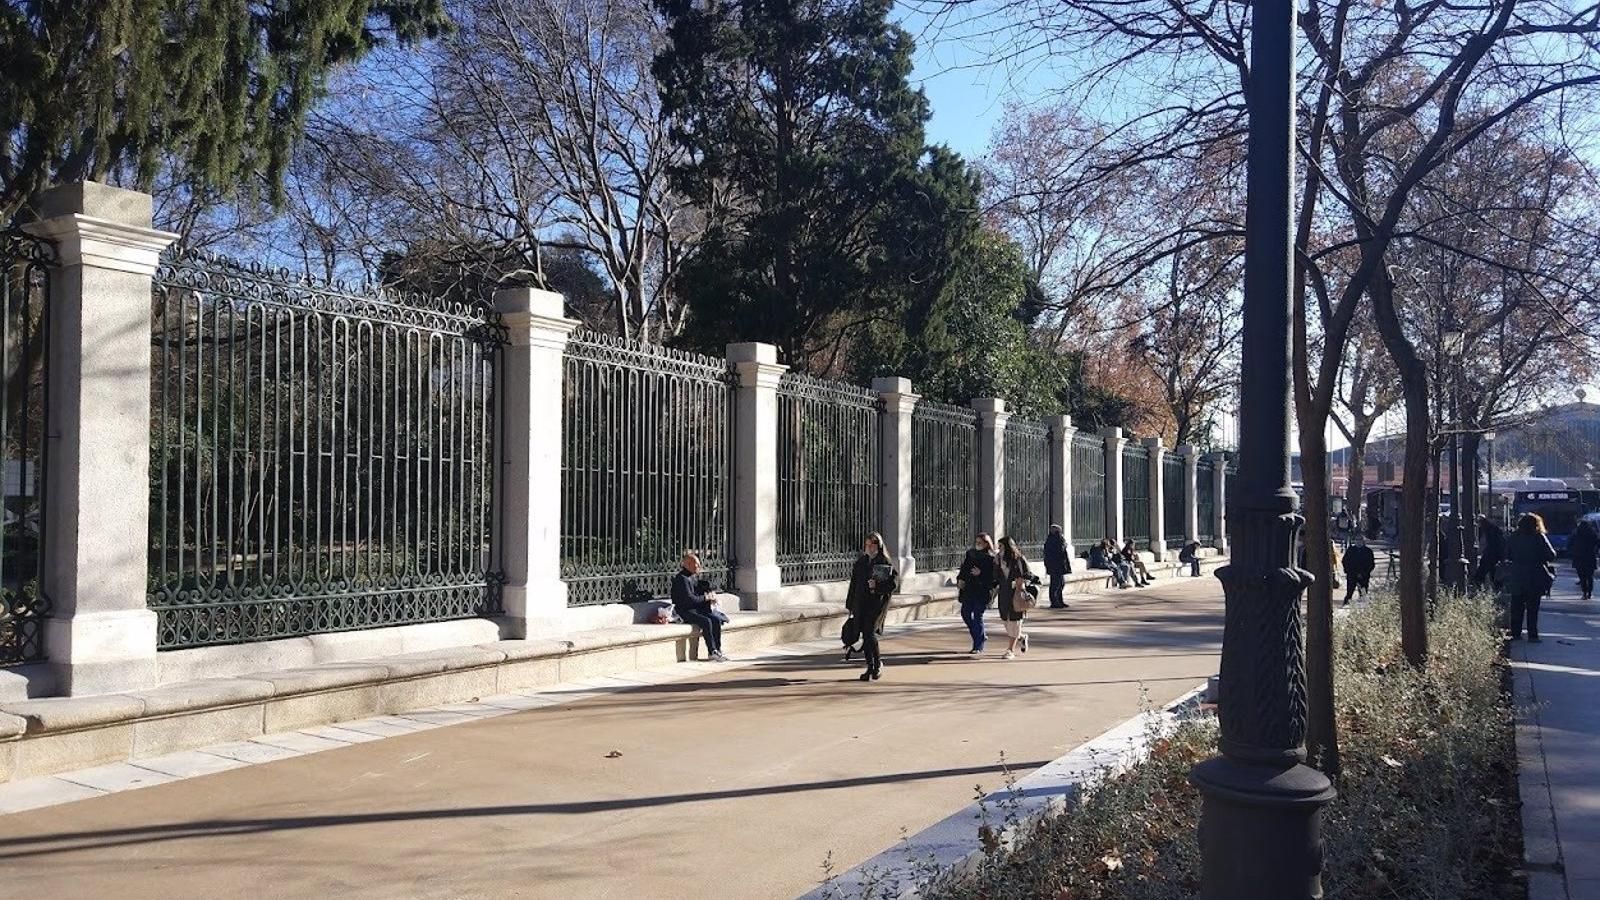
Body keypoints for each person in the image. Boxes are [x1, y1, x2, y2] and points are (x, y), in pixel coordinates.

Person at [846, 532, 898, 680]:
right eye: (867, 544)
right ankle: (870, 667)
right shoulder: (861, 562)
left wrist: (878, 585)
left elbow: (893, 584)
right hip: (861, 604)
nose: (869, 547)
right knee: (865, 635)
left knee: (869, 633)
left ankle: (877, 665)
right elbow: (854, 585)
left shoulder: (884, 562)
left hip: (877, 605)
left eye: (872, 544)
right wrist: (850, 605)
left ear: (879, 546)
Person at [1504, 513, 1557, 642]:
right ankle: (1532, 635)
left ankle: (1516, 633)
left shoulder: (1514, 537)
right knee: (1533, 608)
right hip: (1535, 576)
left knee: (1517, 607)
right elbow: (1551, 555)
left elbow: (1506, 554)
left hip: (1517, 576)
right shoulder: (1539, 537)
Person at [671, 553, 728, 662]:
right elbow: (690, 599)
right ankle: (712, 651)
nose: (699, 566)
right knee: (706, 621)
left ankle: (717, 649)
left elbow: (698, 591)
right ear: (687, 564)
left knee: (715, 619)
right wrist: (706, 597)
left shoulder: (691, 577)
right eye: (696, 564)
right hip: (684, 610)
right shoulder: (682, 579)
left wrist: (709, 593)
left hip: (694, 608)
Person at [956, 533, 998, 655]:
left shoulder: (991, 558)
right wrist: (960, 579)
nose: (977, 544)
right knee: (965, 613)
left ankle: (978, 645)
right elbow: (964, 569)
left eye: (980, 542)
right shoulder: (970, 554)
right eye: (977, 542)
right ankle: (980, 635)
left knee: (977, 616)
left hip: (982, 591)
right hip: (969, 589)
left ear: (986, 544)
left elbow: (993, 579)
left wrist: (981, 574)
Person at [995, 536, 1035, 660]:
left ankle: (1010, 650)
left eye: (1001, 546)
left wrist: (1022, 581)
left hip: (1016, 593)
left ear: (1007, 546)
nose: (999, 549)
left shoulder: (1018, 559)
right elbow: (995, 576)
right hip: (1003, 593)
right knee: (1006, 621)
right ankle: (1021, 637)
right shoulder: (997, 559)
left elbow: (1029, 574)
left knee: (1015, 622)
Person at [1042, 524, 1072, 609]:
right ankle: (1054, 602)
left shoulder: (1059, 539)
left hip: (1060, 565)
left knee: (1061, 583)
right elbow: (1057, 551)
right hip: (1055, 565)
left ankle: (1060, 600)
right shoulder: (1052, 540)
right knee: (1055, 584)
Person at [1474, 514, 1506, 590]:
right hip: (1495, 554)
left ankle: (1479, 586)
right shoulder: (1492, 528)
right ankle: (1497, 587)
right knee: (1493, 572)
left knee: (1483, 572)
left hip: (1491, 554)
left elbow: (1488, 543)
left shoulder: (1488, 529)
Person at [1570, 518, 1599, 600]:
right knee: (1589, 576)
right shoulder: (1592, 533)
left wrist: (1572, 552)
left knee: (1582, 576)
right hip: (1590, 557)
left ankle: (1584, 593)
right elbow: (1597, 542)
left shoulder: (1575, 533)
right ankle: (1589, 592)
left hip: (1578, 557)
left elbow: (1570, 543)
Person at [1341, 537, 1375, 606]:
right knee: (1349, 592)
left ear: (1363, 542)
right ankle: (1345, 605)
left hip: (1363, 576)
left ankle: (1363, 607)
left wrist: (1364, 573)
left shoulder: (1368, 551)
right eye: (1357, 540)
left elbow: (1371, 564)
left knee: (1363, 593)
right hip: (1352, 575)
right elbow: (1345, 561)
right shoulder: (1350, 550)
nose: (1358, 542)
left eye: (1360, 541)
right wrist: (1349, 571)